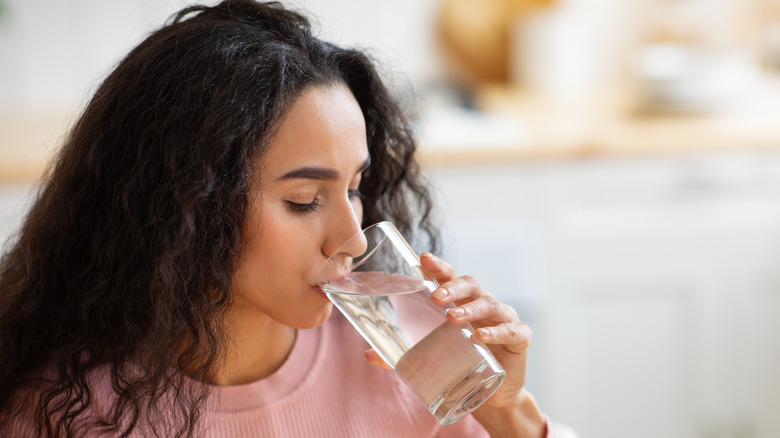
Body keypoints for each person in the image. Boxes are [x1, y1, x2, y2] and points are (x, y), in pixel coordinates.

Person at [0, 1, 554, 436]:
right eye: (305, 200)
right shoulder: (66, 412)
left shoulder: (411, 360)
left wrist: (509, 416)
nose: (352, 241)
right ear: (187, 204)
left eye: (355, 188)